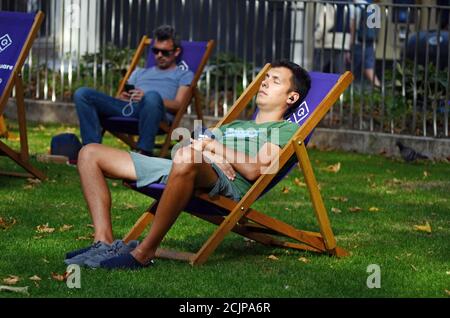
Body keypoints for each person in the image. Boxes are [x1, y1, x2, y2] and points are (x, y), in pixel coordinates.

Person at [64, 60, 311, 270]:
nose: (265, 83)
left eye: (275, 80)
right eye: (265, 78)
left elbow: (256, 169)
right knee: (89, 153)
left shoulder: (285, 129)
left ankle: (145, 251)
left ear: (292, 97)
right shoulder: (235, 126)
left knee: (187, 158)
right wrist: (210, 152)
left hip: (227, 184)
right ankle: (103, 241)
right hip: (188, 166)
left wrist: (212, 148)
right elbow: (182, 146)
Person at [74, 25, 194, 156]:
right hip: (129, 108)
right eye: (155, 51)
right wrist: (124, 97)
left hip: (155, 112)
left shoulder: (184, 75)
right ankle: (91, 149)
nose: (159, 55)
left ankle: (144, 152)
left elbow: (179, 105)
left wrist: (147, 98)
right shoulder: (140, 72)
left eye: (165, 52)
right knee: (82, 93)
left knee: (152, 96)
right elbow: (120, 98)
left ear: (176, 52)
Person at [313, 0, 354, 73]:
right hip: (342, 40)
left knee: (317, 68)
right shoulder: (347, 3)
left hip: (328, 40)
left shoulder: (328, 3)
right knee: (340, 70)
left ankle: (313, 84)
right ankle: (343, 84)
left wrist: (317, 36)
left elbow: (326, 23)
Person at [351, 0, 381, 87]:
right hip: (370, 43)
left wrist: (350, 44)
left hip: (358, 43)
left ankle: (350, 95)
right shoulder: (374, 6)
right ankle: (379, 89)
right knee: (369, 68)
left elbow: (353, 26)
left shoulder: (355, 6)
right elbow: (377, 28)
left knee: (353, 71)